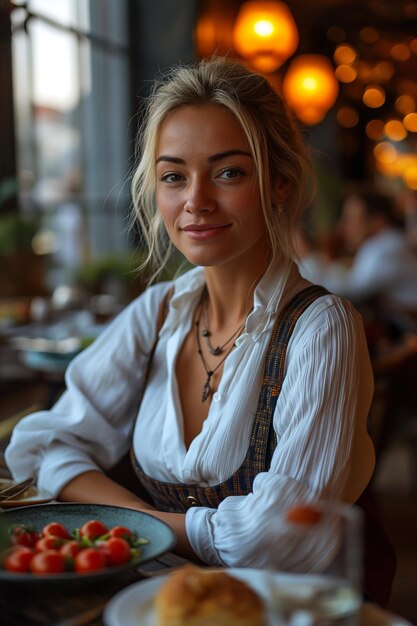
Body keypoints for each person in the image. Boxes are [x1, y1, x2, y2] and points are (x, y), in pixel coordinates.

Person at [5, 57, 393, 604]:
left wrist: (142, 529)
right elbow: (44, 443)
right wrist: (148, 521)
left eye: (228, 171)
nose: (196, 201)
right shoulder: (158, 312)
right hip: (168, 603)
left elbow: (282, 537)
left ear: (278, 182)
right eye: (173, 176)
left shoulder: (321, 328)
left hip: (288, 612)